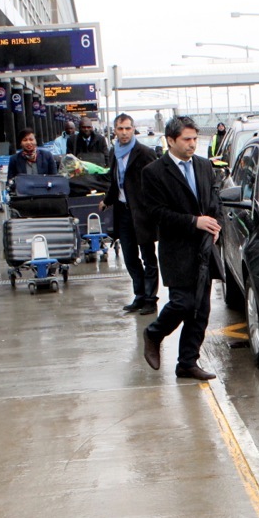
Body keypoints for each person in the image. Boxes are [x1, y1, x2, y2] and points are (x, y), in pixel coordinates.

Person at [140, 116, 224, 381]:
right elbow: (156, 213)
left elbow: (215, 201)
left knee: (200, 310)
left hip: (204, 248)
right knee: (182, 302)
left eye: (195, 139)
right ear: (170, 140)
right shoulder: (154, 172)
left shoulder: (204, 166)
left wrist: (217, 226)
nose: (192, 144)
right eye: (187, 139)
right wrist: (194, 222)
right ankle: (154, 333)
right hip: (176, 248)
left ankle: (187, 363)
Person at [102, 113, 160, 315]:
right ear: (115, 131)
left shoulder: (144, 153)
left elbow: (155, 182)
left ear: (133, 129)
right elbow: (115, 182)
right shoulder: (114, 152)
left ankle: (151, 299)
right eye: (120, 129)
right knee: (129, 256)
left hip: (142, 213)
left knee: (148, 257)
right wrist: (107, 200)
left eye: (128, 128)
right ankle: (140, 295)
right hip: (123, 212)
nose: (124, 133)